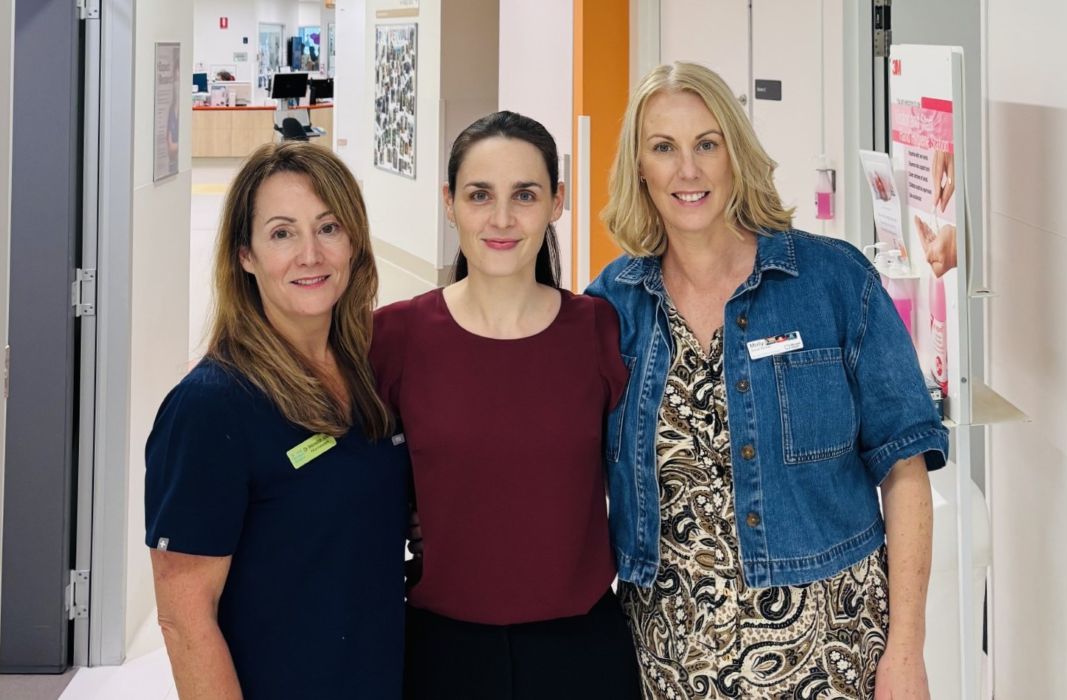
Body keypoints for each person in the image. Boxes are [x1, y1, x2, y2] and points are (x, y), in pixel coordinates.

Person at [588, 62, 949, 700]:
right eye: (663, 148)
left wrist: (906, 651)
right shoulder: (611, 306)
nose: (688, 170)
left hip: (834, 652)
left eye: (707, 144)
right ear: (639, 167)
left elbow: (905, 470)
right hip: (670, 662)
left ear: (736, 153)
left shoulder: (833, 281)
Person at [371, 111, 640, 700]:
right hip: (442, 650)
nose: (501, 219)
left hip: (581, 651)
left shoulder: (600, 329)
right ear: (449, 203)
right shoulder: (393, 338)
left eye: (524, 195)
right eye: (479, 195)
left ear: (556, 202)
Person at [144, 142, 408, 699]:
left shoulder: (370, 374)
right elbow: (185, 619)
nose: (310, 255)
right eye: (282, 233)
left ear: (354, 242)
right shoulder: (211, 407)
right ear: (246, 255)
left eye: (329, 228)